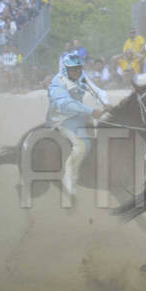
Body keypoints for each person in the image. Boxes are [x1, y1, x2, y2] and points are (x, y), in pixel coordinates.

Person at [47, 54, 110, 193]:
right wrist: (91, 110)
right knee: (82, 146)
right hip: (61, 118)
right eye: (73, 69)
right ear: (65, 69)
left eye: (79, 68)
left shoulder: (81, 76)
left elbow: (98, 91)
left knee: (94, 136)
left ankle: (88, 165)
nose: (77, 72)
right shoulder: (58, 82)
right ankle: (69, 177)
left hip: (80, 115)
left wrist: (105, 102)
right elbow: (65, 104)